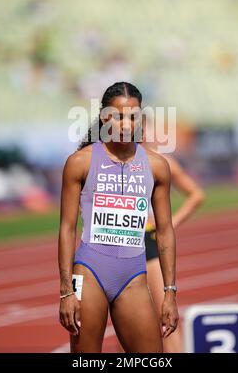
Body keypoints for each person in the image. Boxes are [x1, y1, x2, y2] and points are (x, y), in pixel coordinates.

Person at [58, 81, 179, 353]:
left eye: (133, 116)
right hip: (89, 272)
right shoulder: (80, 162)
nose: (126, 124)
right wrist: (66, 291)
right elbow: (67, 229)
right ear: (104, 118)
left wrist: (170, 292)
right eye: (118, 116)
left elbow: (166, 230)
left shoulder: (157, 166)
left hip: (133, 276)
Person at [143, 116, 205, 353]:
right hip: (119, 245)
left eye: (141, 126)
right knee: (125, 324)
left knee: (165, 319)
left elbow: (196, 194)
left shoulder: (161, 162)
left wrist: (170, 223)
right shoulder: (114, 164)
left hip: (148, 243)